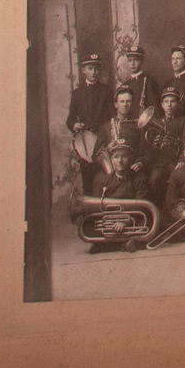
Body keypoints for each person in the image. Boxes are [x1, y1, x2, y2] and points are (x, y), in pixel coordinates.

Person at [72, 140, 153, 250]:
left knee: (148, 223)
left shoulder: (140, 179)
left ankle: (110, 245)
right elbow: (97, 208)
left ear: (130, 159)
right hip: (110, 220)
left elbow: (142, 207)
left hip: (132, 220)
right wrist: (112, 222)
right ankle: (127, 242)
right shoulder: (103, 180)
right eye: (116, 157)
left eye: (124, 156)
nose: (120, 160)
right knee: (87, 227)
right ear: (111, 160)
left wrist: (125, 221)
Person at [66, 52, 111, 190]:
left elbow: (112, 117)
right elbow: (70, 119)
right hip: (85, 143)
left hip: (103, 141)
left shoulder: (107, 91)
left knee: (106, 178)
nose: (94, 72)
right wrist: (75, 125)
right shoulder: (77, 93)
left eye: (96, 69)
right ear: (83, 70)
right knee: (87, 179)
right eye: (90, 68)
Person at [95, 86, 147, 168]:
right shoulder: (105, 127)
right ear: (116, 104)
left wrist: (140, 162)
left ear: (132, 104)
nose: (125, 104)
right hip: (110, 170)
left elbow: (145, 152)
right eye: (122, 101)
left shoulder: (139, 125)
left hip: (132, 168)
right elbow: (95, 154)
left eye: (128, 101)